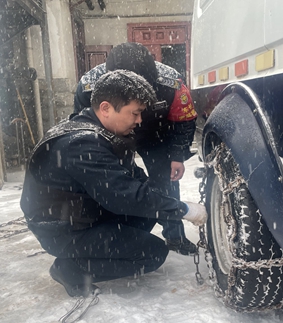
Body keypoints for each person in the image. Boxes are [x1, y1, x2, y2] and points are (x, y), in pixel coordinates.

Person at [20, 70, 207, 298]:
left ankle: (97, 251)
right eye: (135, 113)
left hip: (82, 216)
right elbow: (125, 196)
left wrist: (163, 202)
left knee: (148, 211)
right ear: (106, 108)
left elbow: (136, 183)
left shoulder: (100, 133)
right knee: (153, 253)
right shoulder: (81, 144)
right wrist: (184, 210)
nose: (139, 120)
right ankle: (71, 269)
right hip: (61, 230)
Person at [72, 42, 198, 255]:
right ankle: (119, 234)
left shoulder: (172, 83)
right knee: (114, 184)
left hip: (156, 135)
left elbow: (184, 120)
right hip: (112, 137)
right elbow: (83, 125)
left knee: (165, 182)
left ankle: (175, 236)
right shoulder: (89, 86)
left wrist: (177, 155)